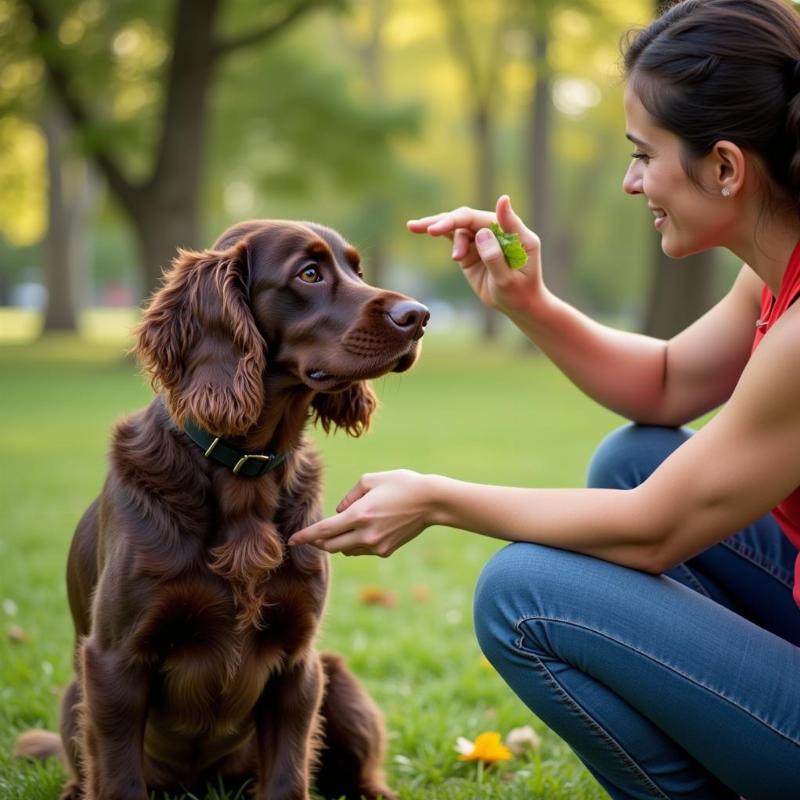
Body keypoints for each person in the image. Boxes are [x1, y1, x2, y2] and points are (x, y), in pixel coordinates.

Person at [289, 0, 800, 796]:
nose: (632, 183)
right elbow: (667, 384)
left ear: (726, 166)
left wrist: (436, 498)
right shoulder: (776, 268)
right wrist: (531, 303)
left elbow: (656, 533)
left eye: (643, 155)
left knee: (523, 594)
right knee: (635, 457)